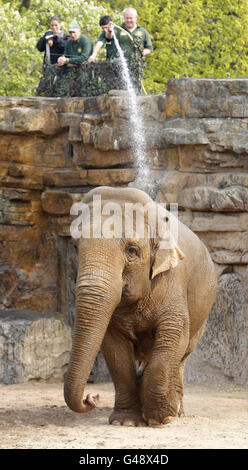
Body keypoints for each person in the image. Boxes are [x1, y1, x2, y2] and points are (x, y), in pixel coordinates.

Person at [88, 8, 153, 63]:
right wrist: (93, 55)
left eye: (131, 18)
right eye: (127, 18)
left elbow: (149, 49)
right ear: (124, 18)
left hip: (135, 65)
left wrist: (141, 53)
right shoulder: (116, 29)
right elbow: (107, 38)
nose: (129, 20)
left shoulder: (143, 31)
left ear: (136, 17)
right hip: (117, 64)